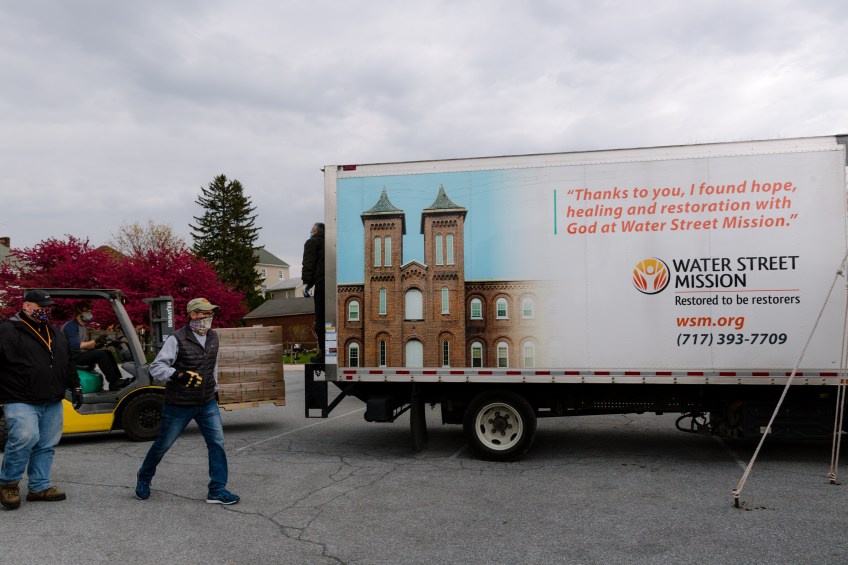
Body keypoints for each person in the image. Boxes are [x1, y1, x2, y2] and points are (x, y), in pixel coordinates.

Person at [135, 297, 239, 505]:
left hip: (207, 402)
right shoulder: (177, 339)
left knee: (217, 443)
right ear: (193, 315)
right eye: (204, 313)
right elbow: (156, 368)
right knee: (163, 444)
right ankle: (144, 478)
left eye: (210, 312)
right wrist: (178, 375)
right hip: (179, 404)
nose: (209, 316)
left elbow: (213, 366)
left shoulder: (213, 337)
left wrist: (214, 389)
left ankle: (217, 489)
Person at [0, 289, 83, 510]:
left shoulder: (54, 332)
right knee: (25, 437)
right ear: (26, 305)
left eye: (48, 307)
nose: (45, 311)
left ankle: (39, 486)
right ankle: (8, 483)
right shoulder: (8, 329)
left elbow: (67, 361)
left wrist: (75, 386)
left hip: (52, 398)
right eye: (41, 307)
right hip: (20, 397)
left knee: (46, 444)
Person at [61, 301, 131, 392]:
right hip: (71, 357)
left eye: (90, 311)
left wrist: (97, 345)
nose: (90, 314)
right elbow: (75, 346)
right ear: (79, 313)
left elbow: (84, 345)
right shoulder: (71, 326)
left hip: (77, 354)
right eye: (87, 312)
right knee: (101, 355)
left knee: (107, 352)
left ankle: (117, 380)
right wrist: (95, 341)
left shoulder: (82, 327)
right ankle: (114, 382)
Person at [302, 222, 325, 362]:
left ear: (315, 231)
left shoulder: (312, 242)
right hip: (332, 283)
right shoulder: (330, 244)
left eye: (311, 229)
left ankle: (324, 353)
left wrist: (307, 283)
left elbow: (309, 263)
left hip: (321, 283)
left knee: (320, 318)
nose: (310, 231)